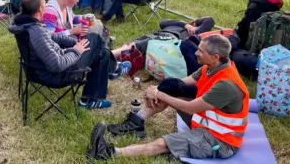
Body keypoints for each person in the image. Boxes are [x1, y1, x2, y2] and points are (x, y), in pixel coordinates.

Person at [86, 35, 250, 161]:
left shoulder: (226, 84)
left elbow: (190, 107)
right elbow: (182, 83)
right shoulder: (211, 67)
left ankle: (108, 153)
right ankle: (137, 122)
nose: (196, 53)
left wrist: (159, 94)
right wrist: (159, 89)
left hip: (221, 141)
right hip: (205, 123)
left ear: (215, 57)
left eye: (201, 51)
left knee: (163, 143)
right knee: (170, 89)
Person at [9, 0, 116, 109]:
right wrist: (76, 51)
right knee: (96, 40)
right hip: (56, 75)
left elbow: (52, 36)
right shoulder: (35, 32)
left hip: (39, 69)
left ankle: (91, 96)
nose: (47, 7)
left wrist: (75, 42)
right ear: (40, 9)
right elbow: (57, 65)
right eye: (45, 4)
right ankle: (110, 72)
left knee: (101, 51)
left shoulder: (26, 23)